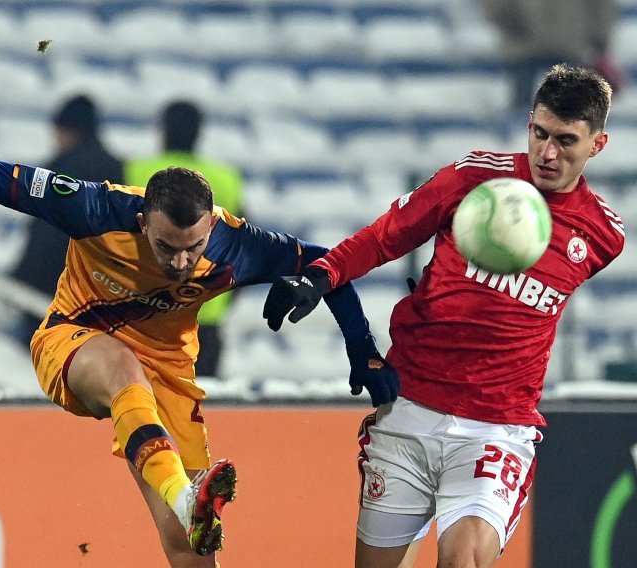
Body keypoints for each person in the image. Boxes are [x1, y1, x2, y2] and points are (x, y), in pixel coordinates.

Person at [0, 161, 399, 566]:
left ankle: (183, 499)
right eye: (166, 247)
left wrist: (362, 348)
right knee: (124, 369)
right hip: (75, 343)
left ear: (209, 229)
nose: (181, 262)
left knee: (190, 546)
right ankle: (183, 494)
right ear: (143, 222)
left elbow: (327, 263)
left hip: (170, 377)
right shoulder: (93, 206)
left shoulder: (236, 244)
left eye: (193, 249)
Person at [262, 63, 624, 568]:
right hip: (410, 403)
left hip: (496, 425)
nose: (547, 152)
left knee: (463, 561)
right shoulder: (474, 177)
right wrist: (322, 276)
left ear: (597, 144)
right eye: (539, 133)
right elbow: (387, 234)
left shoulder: (604, 237)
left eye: (566, 140)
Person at [125, 100, 243, 377]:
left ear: (163, 129)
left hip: (149, 314)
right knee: (199, 409)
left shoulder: (136, 172)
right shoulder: (226, 179)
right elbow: (244, 247)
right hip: (206, 315)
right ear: (199, 132)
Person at [10, 94, 124, 346]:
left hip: (56, 288)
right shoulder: (117, 169)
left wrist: (20, 278)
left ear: (67, 130)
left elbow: (44, 235)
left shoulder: (58, 170)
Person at [481, 0, 625, 114]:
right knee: (523, 112)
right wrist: (505, 18)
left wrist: (600, 38)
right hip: (524, 44)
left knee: (568, 112)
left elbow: (603, 5)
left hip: (568, 43)